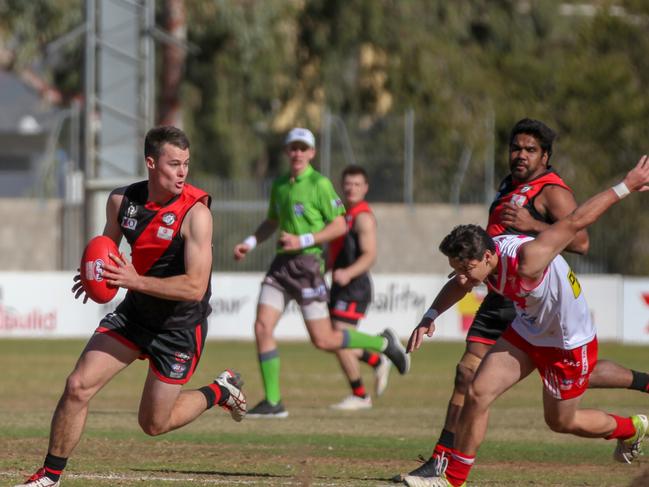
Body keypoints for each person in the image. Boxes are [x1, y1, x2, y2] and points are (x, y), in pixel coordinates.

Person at [395, 119, 649, 482]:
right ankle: (450, 479)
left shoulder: (528, 259)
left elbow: (576, 223)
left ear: (485, 258)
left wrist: (627, 185)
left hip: (567, 342)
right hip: (529, 331)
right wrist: (430, 315)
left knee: (561, 421)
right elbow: (460, 285)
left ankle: (632, 428)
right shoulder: (482, 262)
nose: (461, 277)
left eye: (465, 269)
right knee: (478, 390)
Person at [15, 126, 247, 487]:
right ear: (151, 163)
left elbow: (195, 286)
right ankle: (49, 477)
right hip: (135, 314)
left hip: (179, 326)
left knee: (153, 424)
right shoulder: (121, 202)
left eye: (186, 163)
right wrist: (95, 274)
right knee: (77, 385)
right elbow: (107, 250)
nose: (183, 172)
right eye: (174, 164)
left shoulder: (196, 213)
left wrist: (132, 280)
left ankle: (219, 391)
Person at [233, 127, 409, 418]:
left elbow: (340, 225)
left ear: (312, 153)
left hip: (308, 267)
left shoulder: (319, 184)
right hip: (281, 266)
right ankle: (274, 402)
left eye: (304, 148)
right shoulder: (279, 185)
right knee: (262, 327)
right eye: (294, 148)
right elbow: (272, 221)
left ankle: (383, 344)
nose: (298, 153)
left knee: (325, 339)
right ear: (288, 151)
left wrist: (302, 241)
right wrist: (249, 243)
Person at [328, 165, 391, 411]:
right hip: (340, 285)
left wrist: (347, 272)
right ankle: (376, 360)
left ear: (365, 188)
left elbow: (369, 255)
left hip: (355, 286)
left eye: (357, 184)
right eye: (348, 184)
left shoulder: (363, 217)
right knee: (333, 339)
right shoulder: (343, 213)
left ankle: (361, 395)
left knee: (337, 339)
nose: (351, 188)